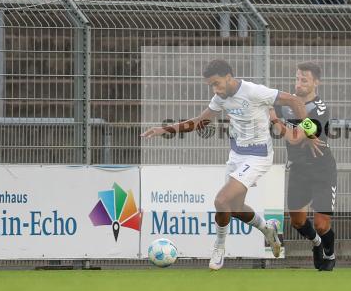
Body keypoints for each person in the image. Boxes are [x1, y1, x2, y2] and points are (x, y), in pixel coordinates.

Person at [140, 59, 312, 271]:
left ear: (229, 77)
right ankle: (267, 229)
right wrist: (163, 130)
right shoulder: (219, 98)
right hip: (237, 155)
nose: (215, 89)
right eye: (211, 85)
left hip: (258, 155)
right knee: (235, 209)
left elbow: (295, 101)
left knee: (221, 200)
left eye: (216, 83)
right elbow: (199, 122)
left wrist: (309, 131)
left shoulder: (254, 91)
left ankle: (219, 247)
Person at [270, 63, 338, 271]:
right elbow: (267, 105)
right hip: (299, 169)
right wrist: (273, 114)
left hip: (322, 170)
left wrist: (276, 122)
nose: (298, 84)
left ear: (316, 83)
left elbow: (293, 137)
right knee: (297, 222)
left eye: (304, 80)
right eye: (297, 79)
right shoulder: (288, 101)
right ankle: (317, 243)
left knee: (321, 224)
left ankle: (329, 253)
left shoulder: (319, 109)